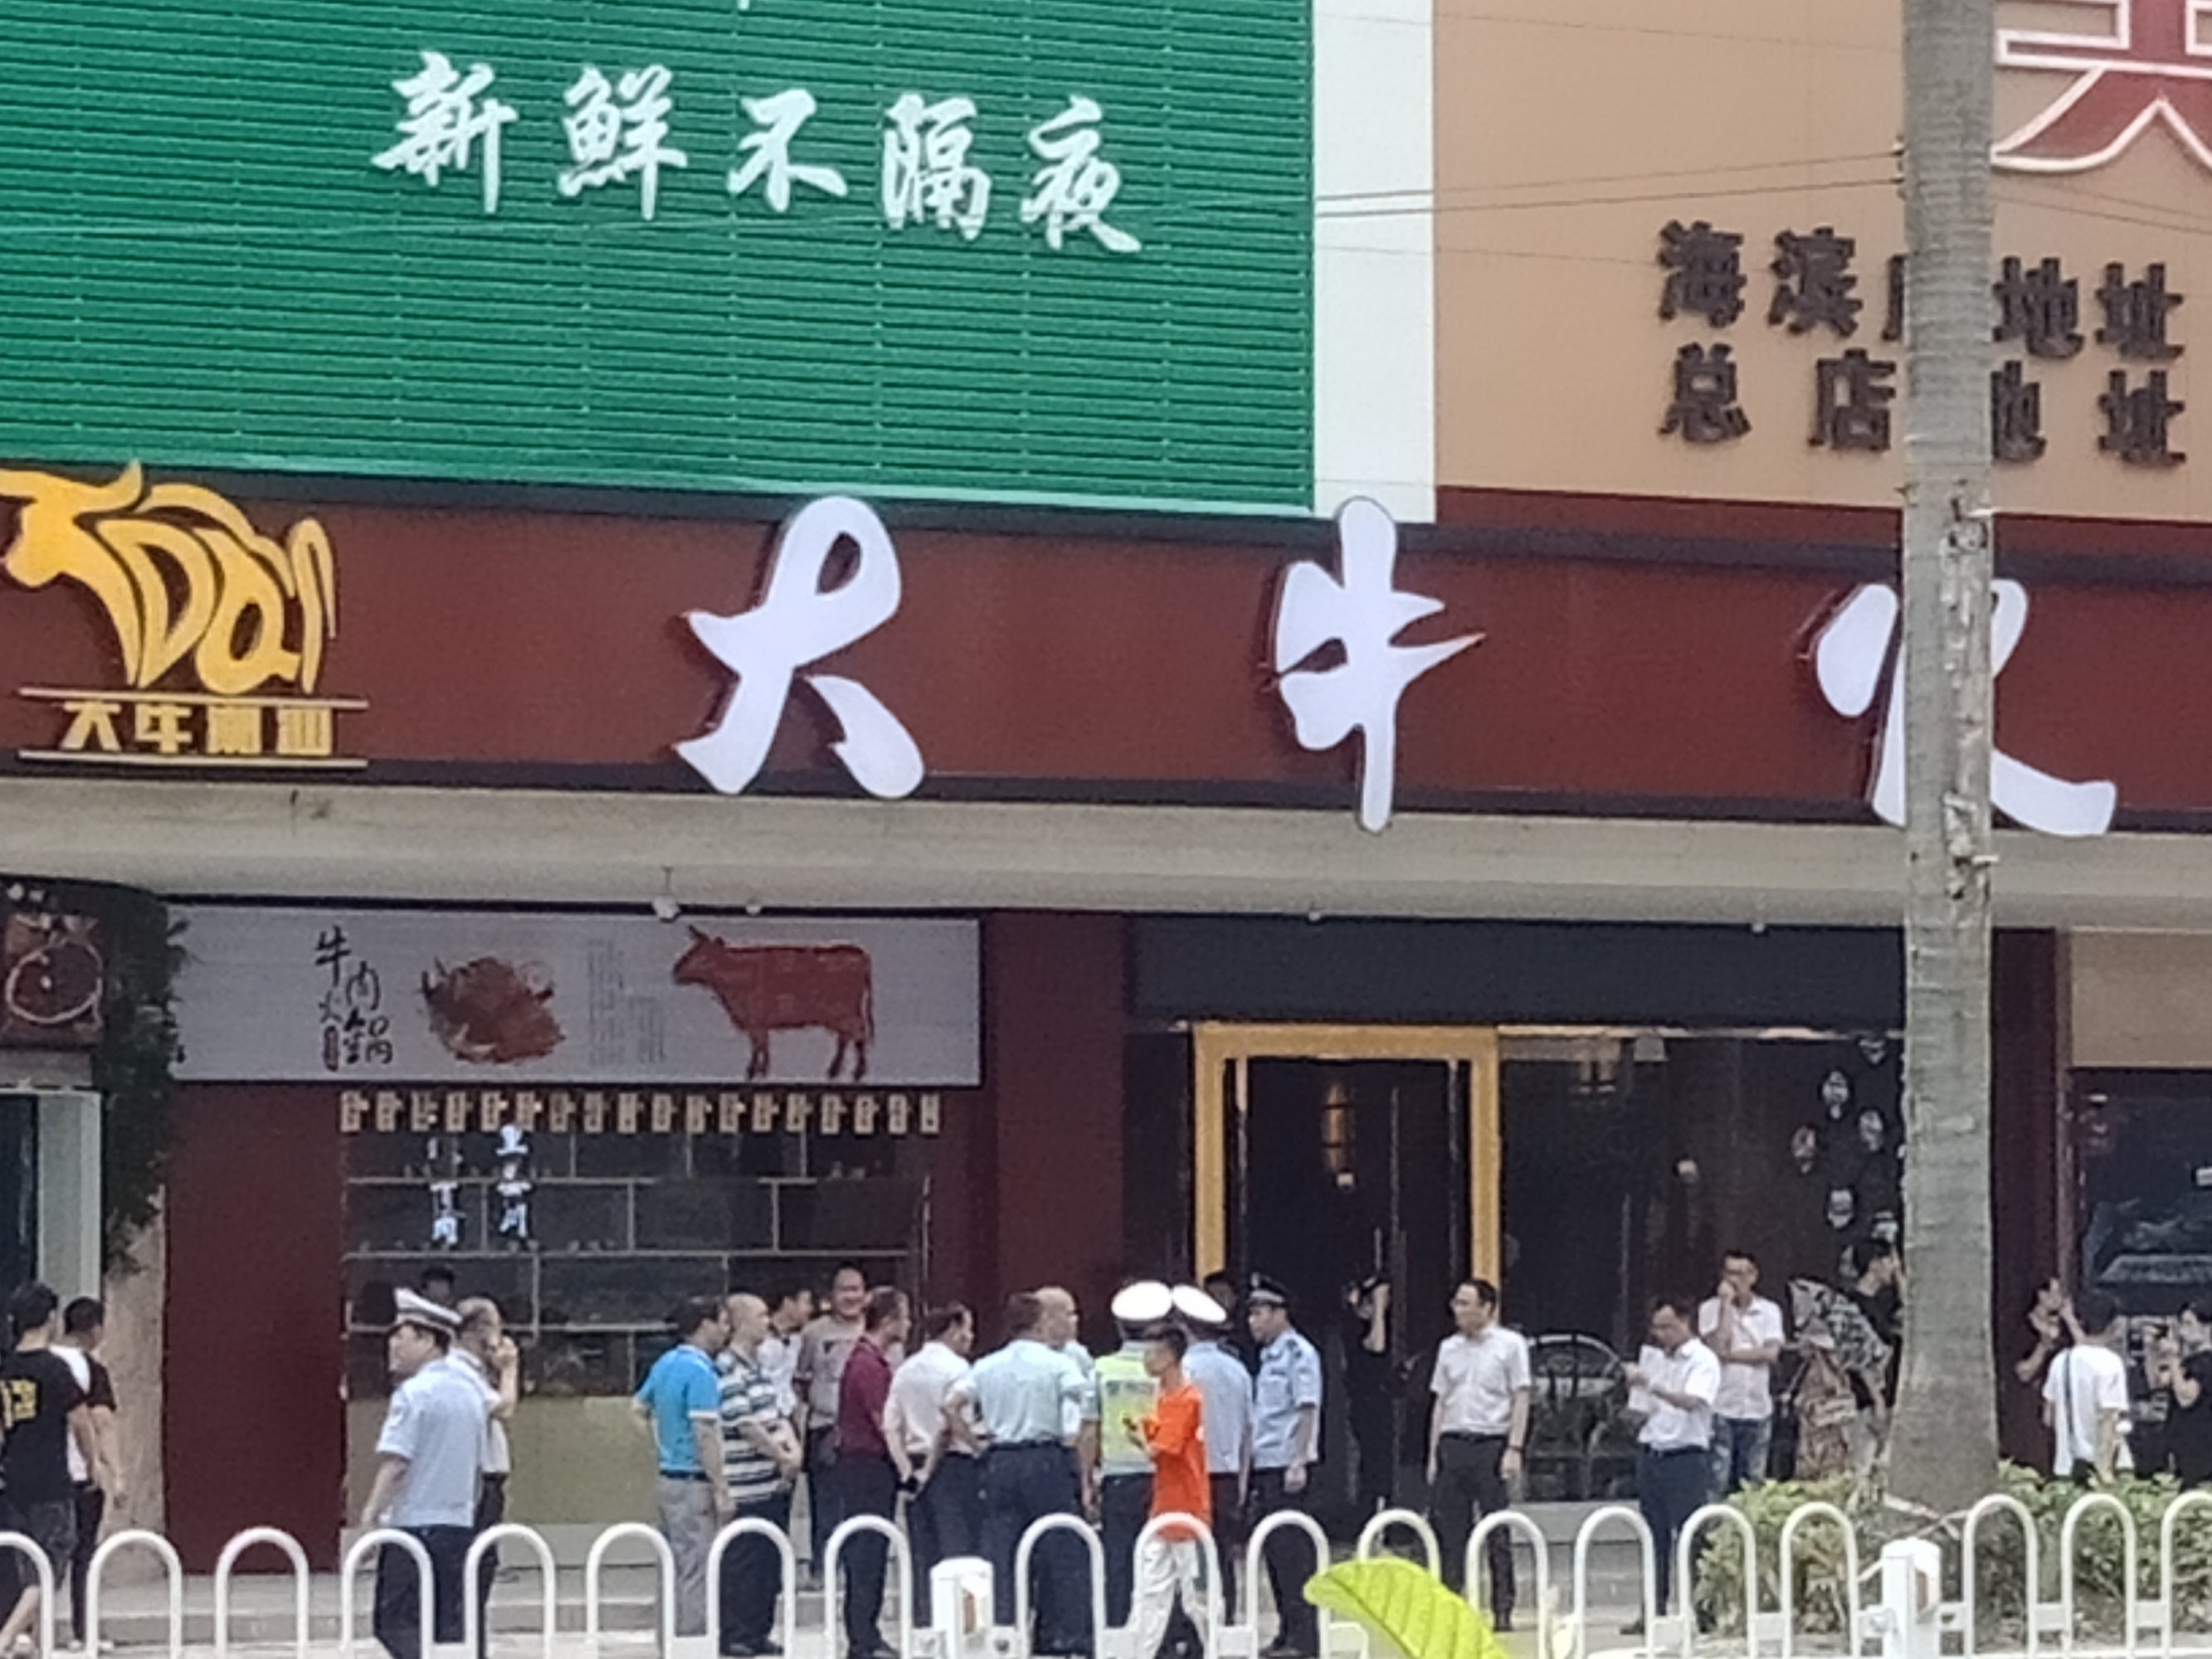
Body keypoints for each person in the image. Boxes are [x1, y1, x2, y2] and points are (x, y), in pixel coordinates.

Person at [954, 1293, 1090, 1657]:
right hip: (1045, 1457)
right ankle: (1063, 1635)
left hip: (1001, 1458)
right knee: (1059, 1545)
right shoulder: (1057, 1364)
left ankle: (1004, 1633)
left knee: (1002, 1548)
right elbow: (1083, 1399)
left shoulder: (987, 1365)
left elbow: (951, 1403)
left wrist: (974, 1441)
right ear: (1039, 1323)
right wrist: (1075, 1440)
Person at [359, 1290, 486, 1659]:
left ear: (429, 1341)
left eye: (403, 1336)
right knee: (445, 1629)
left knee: (395, 1624)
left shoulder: (414, 1395)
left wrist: (370, 1517)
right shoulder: (470, 1393)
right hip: (458, 1526)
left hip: (413, 1526)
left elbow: (397, 1463)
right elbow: (479, 1467)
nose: (393, 1345)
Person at [1426, 1280, 1530, 1629]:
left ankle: (1503, 1607)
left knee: (1496, 1528)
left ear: (1486, 1308)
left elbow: (1521, 1397)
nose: (1458, 1309)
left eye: (1465, 1303)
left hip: (1491, 1443)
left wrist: (1514, 1448)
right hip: (1454, 1440)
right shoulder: (1448, 1348)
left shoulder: (1510, 1345)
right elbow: (1441, 1402)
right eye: (1456, 1302)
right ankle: (1452, 1602)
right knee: (1450, 1529)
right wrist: (1434, 1453)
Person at [636, 1296, 734, 1638]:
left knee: (671, 1563)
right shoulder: (701, 1371)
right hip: (694, 1479)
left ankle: (668, 1638)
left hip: (669, 1476)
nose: (726, 1330)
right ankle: (692, 1641)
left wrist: (662, 1443)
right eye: (723, 1322)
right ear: (705, 1325)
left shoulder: (665, 1363)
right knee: (696, 1567)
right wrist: (721, 1487)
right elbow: (705, 1432)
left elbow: (638, 1407)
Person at [1623, 1298, 1719, 1624]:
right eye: (1657, 1328)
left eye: (1668, 1327)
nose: (1662, 1334)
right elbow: (1645, 1408)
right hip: (1653, 1450)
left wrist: (1652, 1385)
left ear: (1685, 1321)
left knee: (1692, 1534)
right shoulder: (1655, 1359)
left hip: (1685, 1454)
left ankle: (1703, 1609)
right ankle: (1653, 1608)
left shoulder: (1702, 1359)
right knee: (1654, 1534)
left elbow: (1692, 1401)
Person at [719, 1292, 802, 1658]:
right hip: (746, 1485)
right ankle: (737, 1633)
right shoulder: (727, 1367)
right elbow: (746, 1423)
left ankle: (758, 1630)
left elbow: (776, 1414)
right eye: (761, 1315)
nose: (767, 1322)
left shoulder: (759, 1368)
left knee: (769, 1562)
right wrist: (781, 1455)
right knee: (745, 1562)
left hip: (773, 1483)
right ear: (739, 1322)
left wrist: (793, 1452)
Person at [886, 1303, 981, 1623]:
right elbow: (948, 1424)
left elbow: (891, 1426)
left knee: (922, 1549)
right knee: (960, 1547)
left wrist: (907, 1471)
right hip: (952, 1463)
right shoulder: (958, 1370)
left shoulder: (905, 1370)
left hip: (913, 1462)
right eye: (967, 1328)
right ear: (953, 1328)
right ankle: (964, 1623)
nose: (971, 1336)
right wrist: (976, 1448)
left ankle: (924, 1623)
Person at [1246, 1277, 1321, 1659]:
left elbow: (1306, 1409)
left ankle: (1304, 1638)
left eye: (1260, 1313)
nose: (1253, 1322)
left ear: (1280, 1313)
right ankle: (1285, 1630)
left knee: (1294, 1555)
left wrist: (1299, 1460)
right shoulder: (1268, 1356)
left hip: (1288, 1465)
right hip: (1266, 1462)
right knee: (1274, 1553)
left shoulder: (1298, 1353)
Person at [1127, 1325, 1212, 1659]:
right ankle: (1140, 1651)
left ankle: (1214, 1649)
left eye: (1153, 1352)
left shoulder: (1187, 1400)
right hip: (1164, 1507)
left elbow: (1163, 1449)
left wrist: (1140, 1438)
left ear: (1170, 1357)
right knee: (1150, 1590)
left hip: (1187, 1509)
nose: (1147, 1360)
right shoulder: (1164, 1398)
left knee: (1197, 1598)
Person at [836, 1287, 910, 1659]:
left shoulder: (870, 1361)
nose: (909, 1324)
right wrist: (906, 1467)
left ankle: (866, 1631)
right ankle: (862, 1637)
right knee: (868, 1549)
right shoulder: (867, 1366)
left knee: (873, 1549)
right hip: (865, 1467)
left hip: (866, 1465)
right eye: (904, 1316)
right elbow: (885, 1423)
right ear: (889, 1320)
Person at [1095, 1282, 1172, 1628]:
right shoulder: (1170, 1371)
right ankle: (1163, 1634)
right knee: (1163, 1560)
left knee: (1119, 1558)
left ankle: (1118, 1630)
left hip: (1117, 1473)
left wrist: (1088, 1478)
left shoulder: (1102, 1368)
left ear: (1118, 1325)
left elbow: (1089, 1427)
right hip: (1161, 1473)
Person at [1174, 1284, 1252, 1623]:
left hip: (1190, 1475)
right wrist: (1243, 1479)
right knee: (1222, 1553)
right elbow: (1248, 1430)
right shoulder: (1237, 1370)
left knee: (1187, 1554)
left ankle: (1192, 1626)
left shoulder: (1183, 1370)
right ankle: (1227, 1618)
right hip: (1228, 1472)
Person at [53, 1297, 119, 1653]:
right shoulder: (89, 1369)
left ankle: (24, 1628)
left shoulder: (32, 1364)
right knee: (83, 1557)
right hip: (79, 1475)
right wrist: (114, 1472)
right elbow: (101, 1422)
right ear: (96, 1329)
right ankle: (83, 1630)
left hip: (34, 1475)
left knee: (33, 1558)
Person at [449, 1297, 519, 1628]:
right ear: (481, 1331)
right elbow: (504, 1407)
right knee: (476, 1560)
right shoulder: (461, 1371)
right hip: (477, 1479)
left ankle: (469, 1628)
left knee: (483, 1559)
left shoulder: (473, 1370)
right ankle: (465, 1631)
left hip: (484, 1477)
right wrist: (510, 1369)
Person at [796, 1266, 869, 1575]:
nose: (851, 1297)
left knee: (861, 1500)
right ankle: (823, 1567)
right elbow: (800, 1378)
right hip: (824, 1426)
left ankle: (858, 1567)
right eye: (844, 1290)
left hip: (866, 1430)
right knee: (825, 1502)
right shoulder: (814, 1333)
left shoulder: (875, 1329)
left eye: (856, 1289)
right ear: (832, 1296)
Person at [1697, 1251, 1785, 1494]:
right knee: (1717, 1481)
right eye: (1729, 1273)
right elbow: (1717, 1346)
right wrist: (1725, 1306)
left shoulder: (1769, 1311)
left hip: (1757, 1407)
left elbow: (1771, 1353)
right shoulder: (1709, 1309)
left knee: (1752, 1482)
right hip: (1721, 1406)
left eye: (1741, 1274)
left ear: (1753, 1276)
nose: (1735, 1280)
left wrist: (1730, 1356)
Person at [1784, 1280, 1889, 1481]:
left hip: (1844, 1413)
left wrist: (1878, 1400)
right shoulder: (1811, 1360)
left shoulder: (1841, 1343)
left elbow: (1862, 1361)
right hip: (1823, 1417)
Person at [2046, 1291, 2133, 1483]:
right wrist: (2106, 1473)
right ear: (2113, 1324)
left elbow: (2049, 1416)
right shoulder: (2110, 1363)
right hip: (2100, 1469)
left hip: (2065, 1465)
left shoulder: (2060, 1361)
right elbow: (2108, 1419)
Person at [1039, 1287, 1101, 1519]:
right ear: (1047, 1318)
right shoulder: (1030, 1356)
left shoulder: (1078, 1356)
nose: (1076, 1321)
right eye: (1069, 1314)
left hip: (1073, 1447)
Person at [1844, 1243, 1904, 1477]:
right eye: (1889, 1261)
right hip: (1866, 1400)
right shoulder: (1853, 1305)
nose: (1894, 1267)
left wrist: (1898, 1277)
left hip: (1890, 1395)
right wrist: (1876, 1399)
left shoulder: (1884, 1304)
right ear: (1874, 1264)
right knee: (1865, 1465)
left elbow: (1910, 1310)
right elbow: (1859, 1358)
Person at [1344, 1278, 1396, 1517]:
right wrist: (1379, 1308)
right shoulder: (1354, 1325)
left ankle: (1383, 1508)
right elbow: (1377, 1346)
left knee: (1384, 1458)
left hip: (1382, 1401)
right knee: (1371, 1459)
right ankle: (1368, 1512)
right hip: (1364, 1403)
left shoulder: (1386, 1323)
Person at [2149, 1311, 2212, 1484]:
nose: (2183, 1331)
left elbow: (2186, 1397)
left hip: (2200, 1447)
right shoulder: (2189, 1362)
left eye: (2189, 1324)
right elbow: (2158, 1382)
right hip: (2180, 1447)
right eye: (2181, 1324)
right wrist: (2152, 1350)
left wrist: (2172, 1357)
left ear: (2207, 1327)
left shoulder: (2207, 1363)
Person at [762, 1282, 814, 1426]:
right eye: (806, 1302)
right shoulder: (760, 1337)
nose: (810, 1309)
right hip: (763, 1412)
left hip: (788, 1413)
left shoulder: (798, 1339)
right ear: (788, 1303)